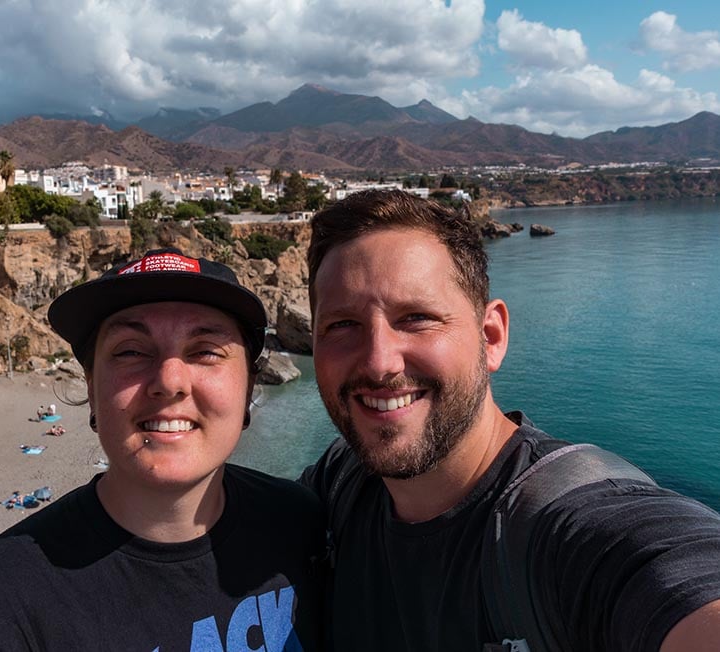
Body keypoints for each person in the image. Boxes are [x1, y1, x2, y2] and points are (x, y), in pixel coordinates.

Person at [298, 189, 720, 651]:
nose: (379, 363)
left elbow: (676, 578)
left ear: (491, 337)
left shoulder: (573, 528)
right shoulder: (337, 486)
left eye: (416, 318)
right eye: (341, 325)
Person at [0, 247, 326, 651]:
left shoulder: (303, 524)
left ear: (250, 387)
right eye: (130, 351)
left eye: (204, 351)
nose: (169, 381)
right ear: (91, 389)